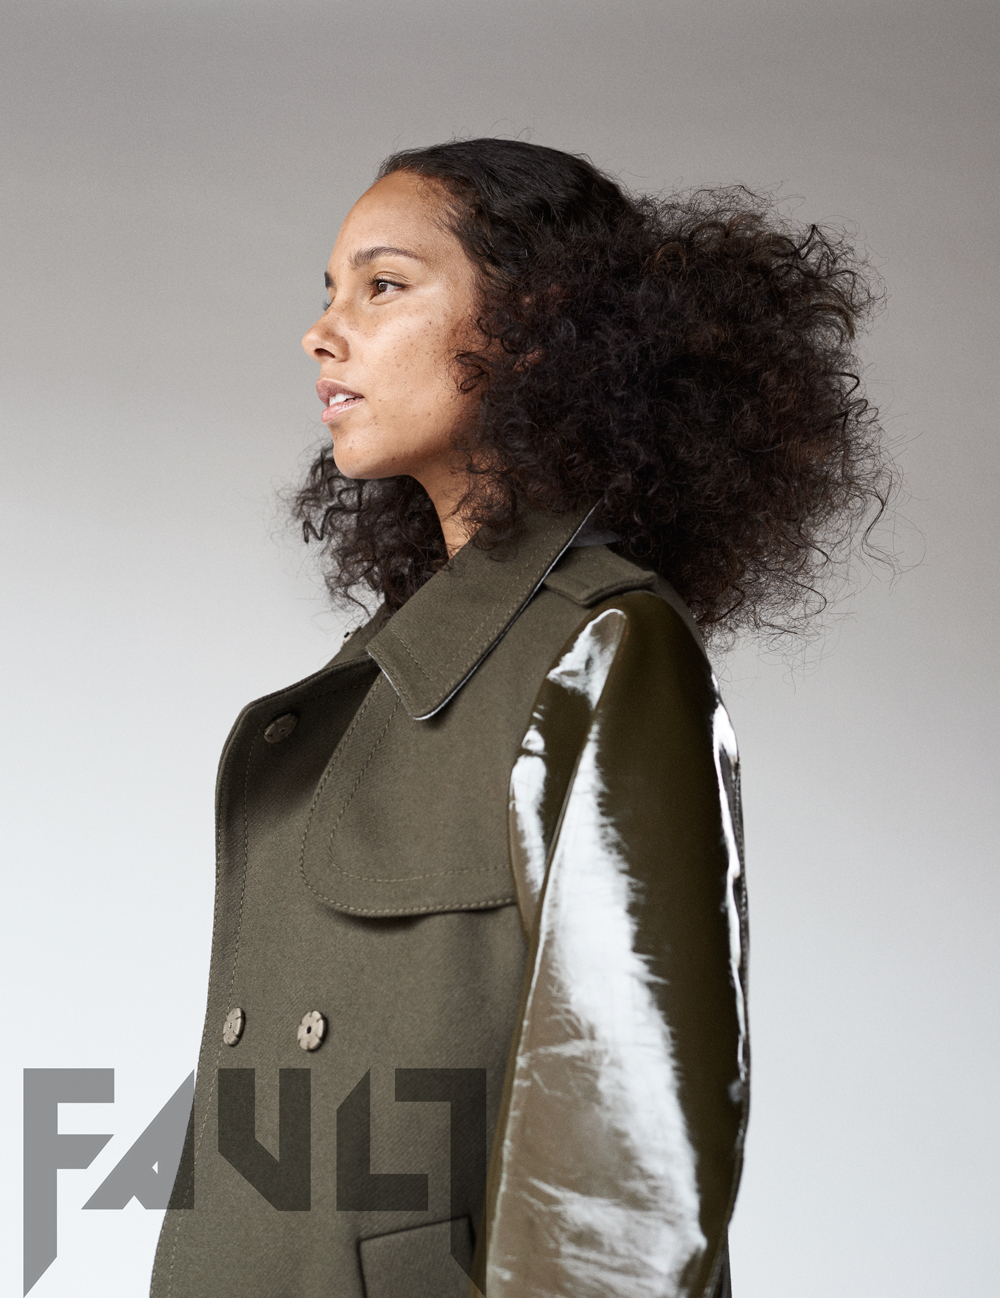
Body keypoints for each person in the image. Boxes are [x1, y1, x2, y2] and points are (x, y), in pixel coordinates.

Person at [150, 139, 888, 1298]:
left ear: (534, 327)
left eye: (383, 285)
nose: (323, 331)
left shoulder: (602, 647)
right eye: (329, 290)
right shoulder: (394, 671)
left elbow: (618, 1189)